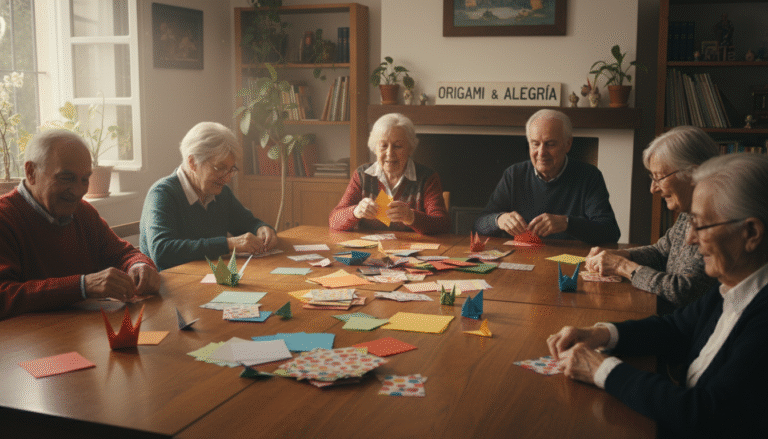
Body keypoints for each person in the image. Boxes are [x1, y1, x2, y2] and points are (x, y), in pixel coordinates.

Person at [548, 153, 768, 438]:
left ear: (751, 233)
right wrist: (601, 334)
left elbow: (704, 413)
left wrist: (603, 370)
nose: (689, 239)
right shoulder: (734, 285)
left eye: (700, 225)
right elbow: (676, 328)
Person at [0, 130, 160, 320]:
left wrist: (139, 265)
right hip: (25, 345)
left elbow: (123, 253)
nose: (78, 191)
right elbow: (4, 295)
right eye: (66, 178)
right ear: (31, 172)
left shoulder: (83, 212)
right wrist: (83, 286)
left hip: (78, 333)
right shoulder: (5, 217)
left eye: (84, 179)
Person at [586, 126, 719, 308]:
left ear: (693, 174)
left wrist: (623, 267)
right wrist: (621, 255)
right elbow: (661, 252)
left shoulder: (718, 219)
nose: (653, 189)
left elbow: (684, 290)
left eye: (659, 178)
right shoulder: (688, 210)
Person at [140, 122, 277, 270]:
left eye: (231, 169)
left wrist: (262, 229)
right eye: (220, 168)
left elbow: (247, 224)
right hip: (171, 285)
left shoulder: (220, 192)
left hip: (209, 277)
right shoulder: (162, 194)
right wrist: (229, 244)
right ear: (192, 162)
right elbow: (163, 251)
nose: (227, 178)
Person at [474, 109, 620, 244]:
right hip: (522, 258)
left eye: (550, 144)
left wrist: (567, 223)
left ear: (568, 144)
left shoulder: (589, 176)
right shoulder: (514, 175)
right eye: (535, 144)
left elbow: (610, 232)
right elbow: (479, 224)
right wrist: (499, 220)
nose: (541, 152)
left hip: (570, 261)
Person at [329, 113, 450, 234]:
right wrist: (356, 211)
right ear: (375, 148)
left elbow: (442, 225)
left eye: (398, 146)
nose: (390, 153)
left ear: (410, 148)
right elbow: (334, 220)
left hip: (412, 250)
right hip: (371, 250)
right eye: (383, 145)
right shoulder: (362, 175)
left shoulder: (427, 177)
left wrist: (411, 217)